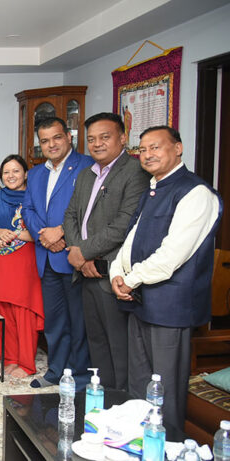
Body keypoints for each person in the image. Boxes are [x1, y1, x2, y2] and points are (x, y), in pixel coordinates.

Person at [111, 126, 221, 440]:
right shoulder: (153, 188)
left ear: (178, 148)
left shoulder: (195, 193)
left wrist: (130, 279)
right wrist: (117, 273)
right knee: (139, 383)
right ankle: (136, 445)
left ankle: (166, 447)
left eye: (155, 147)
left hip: (170, 306)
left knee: (165, 389)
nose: (148, 155)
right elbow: (131, 240)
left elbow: (173, 254)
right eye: (143, 149)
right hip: (138, 299)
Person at [63, 112, 149, 391]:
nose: (97, 144)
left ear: (123, 138)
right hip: (86, 271)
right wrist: (79, 255)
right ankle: (103, 396)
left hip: (113, 272)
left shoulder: (135, 172)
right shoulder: (87, 174)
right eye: (91, 139)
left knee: (118, 344)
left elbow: (124, 223)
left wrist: (84, 253)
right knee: (97, 342)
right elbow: (71, 216)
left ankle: (122, 398)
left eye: (105, 137)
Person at [22, 117, 95, 390]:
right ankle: (56, 371)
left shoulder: (87, 166)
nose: (51, 145)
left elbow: (91, 209)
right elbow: (28, 209)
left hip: (75, 256)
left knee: (79, 321)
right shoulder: (36, 173)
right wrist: (44, 235)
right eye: (44, 141)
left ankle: (80, 376)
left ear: (69, 137)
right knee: (54, 321)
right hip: (46, 256)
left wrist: (61, 232)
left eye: (56, 138)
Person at [0, 155, 44, 378]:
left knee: (23, 312)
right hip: (0, 262)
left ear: (26, 174)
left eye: (16, 171)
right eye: (6, 172)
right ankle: (10, 358)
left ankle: (26, 363)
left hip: (24, 263)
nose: (11, 176)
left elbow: (43, 232)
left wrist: (16, 234)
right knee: (3, 311)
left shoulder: (36, 197)